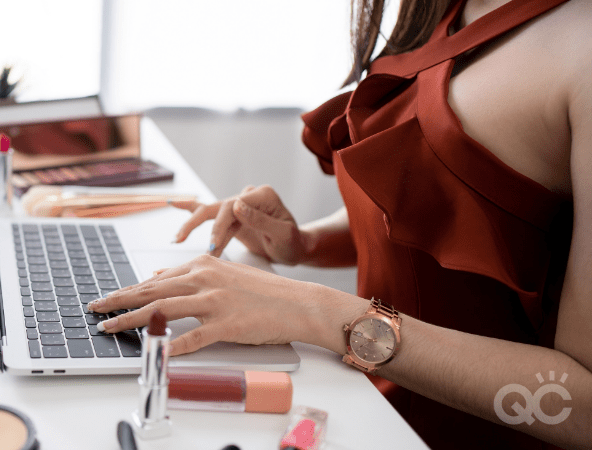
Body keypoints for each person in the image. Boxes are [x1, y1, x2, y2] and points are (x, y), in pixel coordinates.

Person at [87, 0, 591, 448]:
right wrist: (303, 243)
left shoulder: (580, 48)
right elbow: (440, 219)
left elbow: (585, 409)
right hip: (363, 407)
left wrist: (320, 313)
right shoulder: (442, 11)